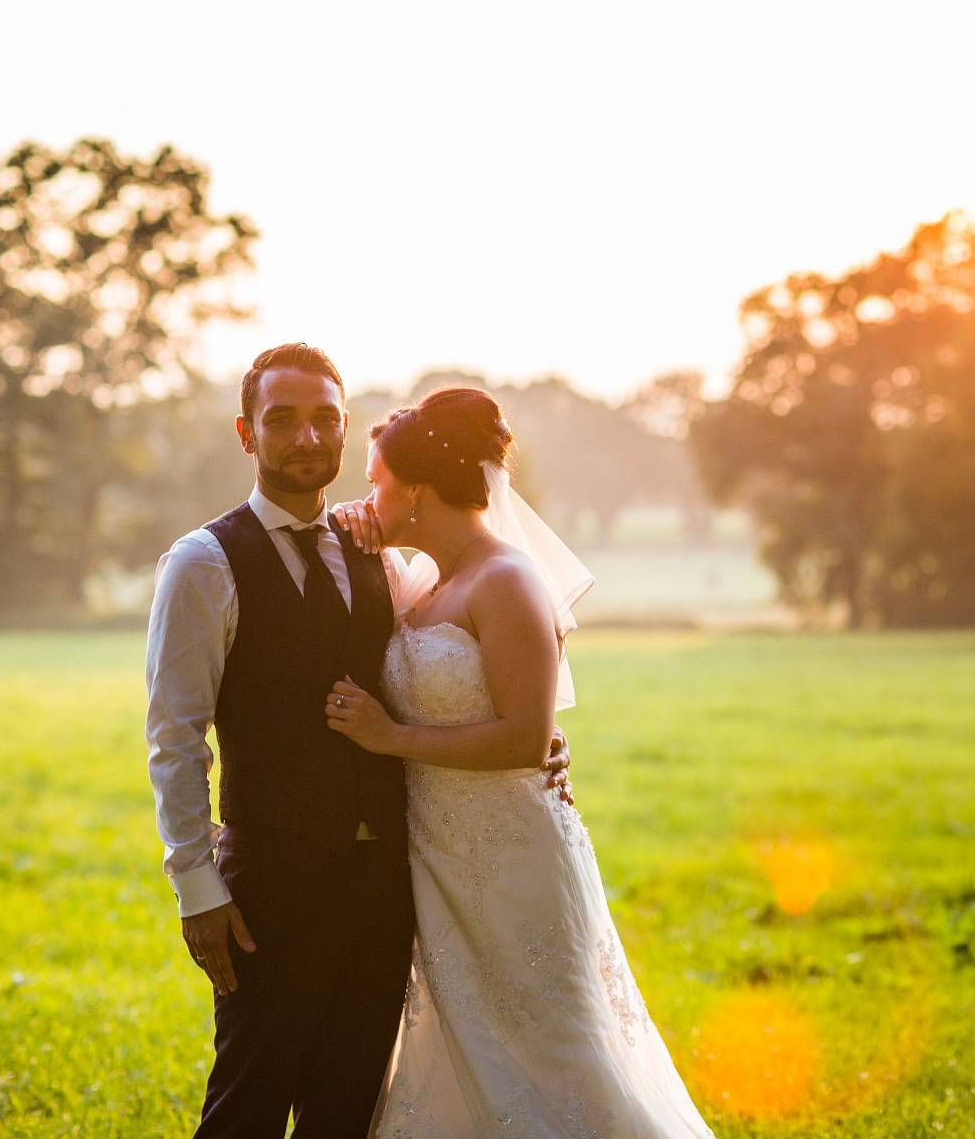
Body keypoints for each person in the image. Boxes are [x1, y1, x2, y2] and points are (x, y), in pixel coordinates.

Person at [143, 345, 573, 1138]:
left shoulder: (380, 556)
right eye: (283, 420)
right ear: (247, 433)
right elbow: (174, 737)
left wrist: (536, 740)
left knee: (349, 1109)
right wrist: (195, 883)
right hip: (268, 883)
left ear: (344, 433)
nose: (307, 437)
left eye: (324, 420)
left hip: (386, 884)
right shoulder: (204, 562)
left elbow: (470, 651)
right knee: (249, 1099)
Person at [325, 387, 716, 1136]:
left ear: (415, 489)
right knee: (462, 1046)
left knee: (551, 1049)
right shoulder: (424, 583)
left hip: (513, 855)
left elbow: (526, 739)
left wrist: (390, 737)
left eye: (374, 480)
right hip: (438, 855)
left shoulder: (507, 581)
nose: (365, 494)